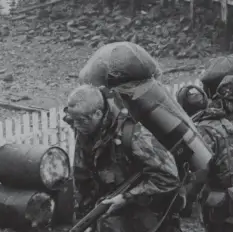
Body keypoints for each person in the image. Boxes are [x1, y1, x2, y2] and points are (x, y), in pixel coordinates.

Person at [66, 85, 182, 232]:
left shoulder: (133, 136)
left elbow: (169, 178)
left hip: (146, 217)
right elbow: (82, 179)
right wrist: (85, 218)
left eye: (81, 120)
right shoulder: (85, 134)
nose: (76, 125)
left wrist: (127, 197)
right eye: (73, 120)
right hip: (110, 217)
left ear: (97, 114)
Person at [186, 76, 233, 232]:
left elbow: (200, 170)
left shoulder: (204, 127)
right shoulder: (222, 124)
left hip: (221, 205)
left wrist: (187, 201)